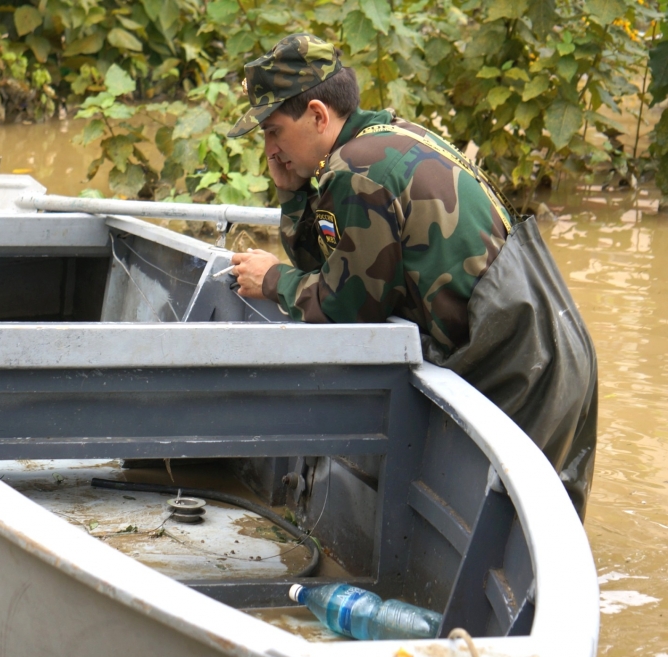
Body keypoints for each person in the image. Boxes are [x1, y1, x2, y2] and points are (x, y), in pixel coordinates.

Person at [227, 33, 598, 519]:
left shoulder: (358, 169)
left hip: (519, 363)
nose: (270, 148)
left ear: (318, 115)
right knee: (542, 531)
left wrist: (274, 279)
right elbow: (334, 266)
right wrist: (293, 190)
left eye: (273, 130)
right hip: (553, 343)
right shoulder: (384, 141)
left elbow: (346, 309)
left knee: (510, 531)